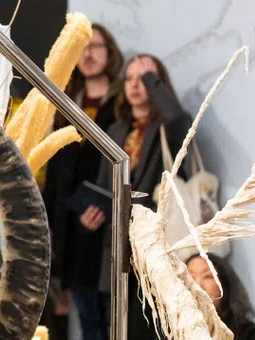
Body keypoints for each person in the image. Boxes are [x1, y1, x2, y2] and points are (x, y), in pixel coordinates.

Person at [86, 54, 192, 340]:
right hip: (118, 248)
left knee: (152, 329)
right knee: (117, 327)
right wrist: (93, 210)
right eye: (130, 78)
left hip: (157, 247)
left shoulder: (166, 126)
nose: (135, 85)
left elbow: (180, 122)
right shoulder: (116, 130)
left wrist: (152, 81)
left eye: (144, 79)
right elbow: (102, 185)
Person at [42, 25, 123, 340]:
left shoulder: (120, 106)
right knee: (87, 317)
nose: (88, 55)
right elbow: (53, 167)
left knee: (112, 317)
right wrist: (48, 219)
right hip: (69, 230)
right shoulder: (66, 105)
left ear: (110, 53)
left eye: (95, 47)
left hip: (105, 228)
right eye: (81, 50)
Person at [186, 254, 255, 340]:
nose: (197, 286)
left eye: (207, 276)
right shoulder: (173, 331)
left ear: (224, 284)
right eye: (190, 278)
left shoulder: (248, 333)